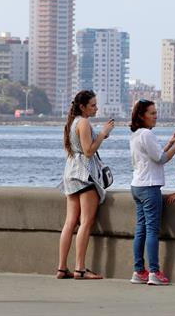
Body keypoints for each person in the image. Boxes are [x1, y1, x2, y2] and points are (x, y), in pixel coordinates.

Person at [56, 90, 114, 280]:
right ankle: (80, 268)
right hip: (85, 174)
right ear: (83, 107)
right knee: (86, 222)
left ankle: (62, 268)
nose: (96, 108)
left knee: (69, 222)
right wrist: (104, 133)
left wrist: (103, 134)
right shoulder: (84, 122)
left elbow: (84, 144)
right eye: (93, 105)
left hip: (71, 172)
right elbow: (89, 150)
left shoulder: (72, 123)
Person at [128, 99, 175, 286]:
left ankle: (138, 271)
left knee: (140, 229)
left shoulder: (136, 135)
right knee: (152, 230)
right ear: (142, 115)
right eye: (152, 113)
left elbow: (154, 156)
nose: (155, 116)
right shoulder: (147, 135)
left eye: (155, 112)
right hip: (150, 187)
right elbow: (160, 159)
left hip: (137, 185)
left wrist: (169, 143)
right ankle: (154, 271)